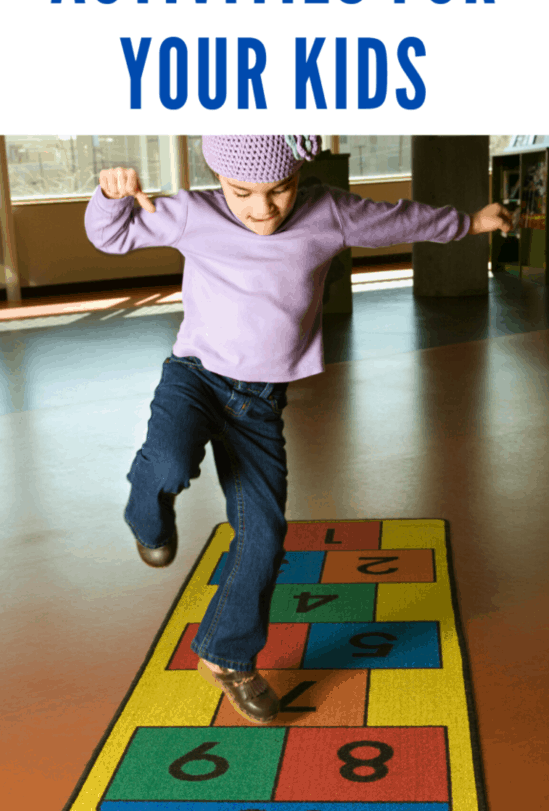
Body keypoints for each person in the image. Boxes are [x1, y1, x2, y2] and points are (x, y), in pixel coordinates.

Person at [84, 134, 512, 724]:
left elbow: (399, 220)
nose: (262, 210)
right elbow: (109, 236)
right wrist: (110, 198)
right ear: (220, 179)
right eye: (243, 194)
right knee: (169, 462)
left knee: (264, 535)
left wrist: (469, 222)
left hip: (259, 406)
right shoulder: (191, 212)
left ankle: (226, 654)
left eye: (278, 191)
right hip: (196, 378)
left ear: (297, 178)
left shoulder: (329, 212)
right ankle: (144, 514)